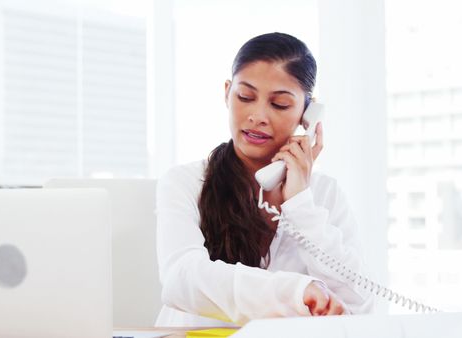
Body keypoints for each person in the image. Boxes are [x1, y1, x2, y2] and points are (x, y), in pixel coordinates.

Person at [155, 32, 372, 327]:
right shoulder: (185, 182)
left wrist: (300, 203)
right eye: (245, 97)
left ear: (307, 113)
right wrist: (295, 291)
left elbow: (358, 305)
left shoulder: (325, 194)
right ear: (227, 93)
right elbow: (182, 278)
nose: (257, 116)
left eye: (280, 104)